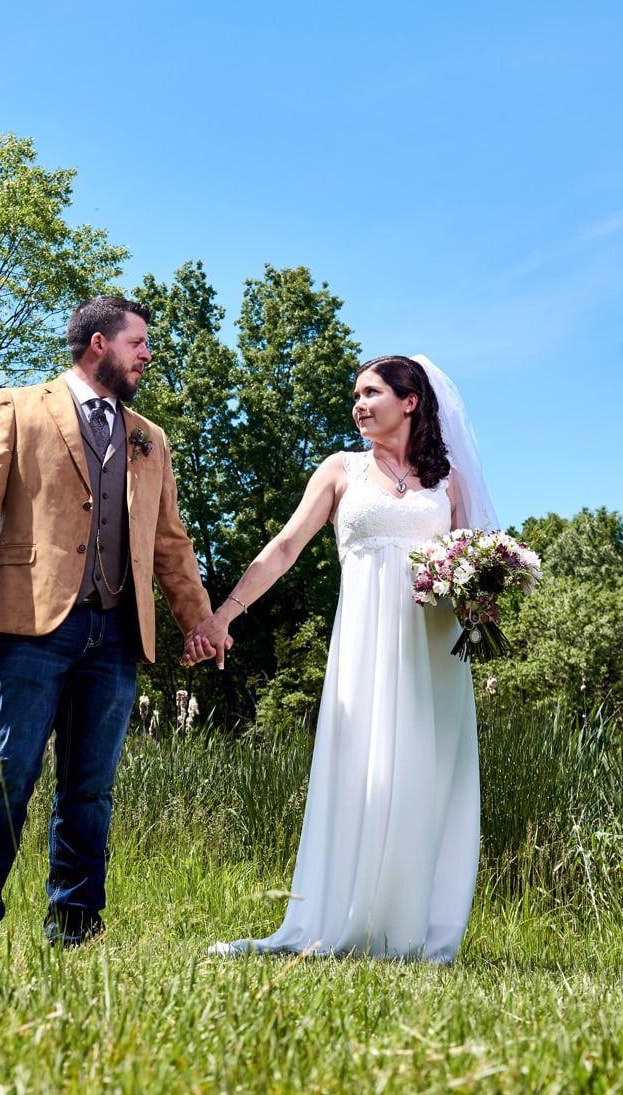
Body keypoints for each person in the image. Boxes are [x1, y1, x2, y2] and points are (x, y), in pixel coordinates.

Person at [0, 296, 227, 945]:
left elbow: (171, 542)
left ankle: (74, 927)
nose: (147, 354)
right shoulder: (20, 406)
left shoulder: (150, 437)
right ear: (99, 343)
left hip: (117, 633)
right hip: (34, 622)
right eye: (137, 342)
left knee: (90, 789)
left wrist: (198, 622)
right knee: (9, 771)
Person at [186, 355, 494, 961]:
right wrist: (223, 616)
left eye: (371, 393)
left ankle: (416, 927)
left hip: (432, 649)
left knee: (429, 776)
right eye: (356, 395)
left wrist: (484, 599)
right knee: (363, 769)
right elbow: (284, 548)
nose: (358, 405)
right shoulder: (340, 469)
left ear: (410, 402)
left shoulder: (450, 483)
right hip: (364, 645)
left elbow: (474, 567)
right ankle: (342, 918)